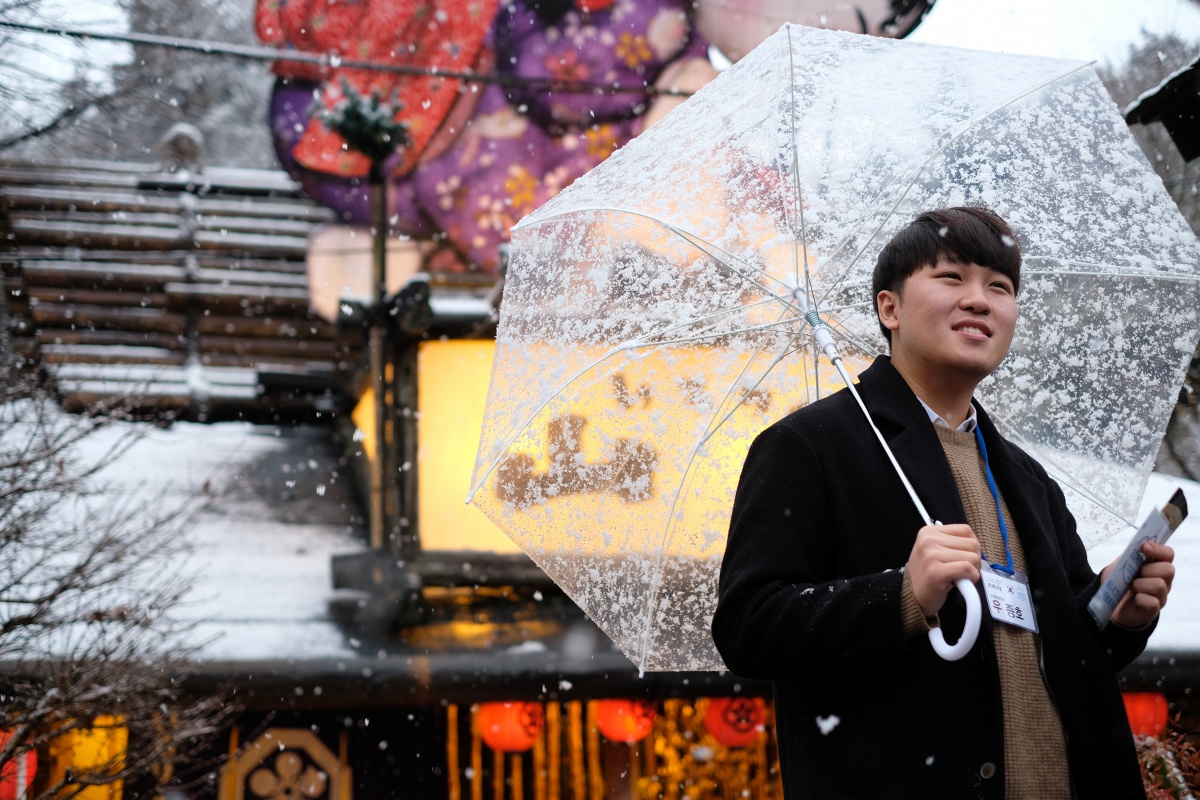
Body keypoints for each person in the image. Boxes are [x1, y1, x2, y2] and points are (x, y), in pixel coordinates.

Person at [711, 207, 1175, 800]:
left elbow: (1066, 659)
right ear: (890, 309)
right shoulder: (809, 447)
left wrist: (1115, 615)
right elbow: (749, 626)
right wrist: (900, 595)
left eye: (1000, 287)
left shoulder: (1028, 479)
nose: (980, 300)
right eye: (952, 278)